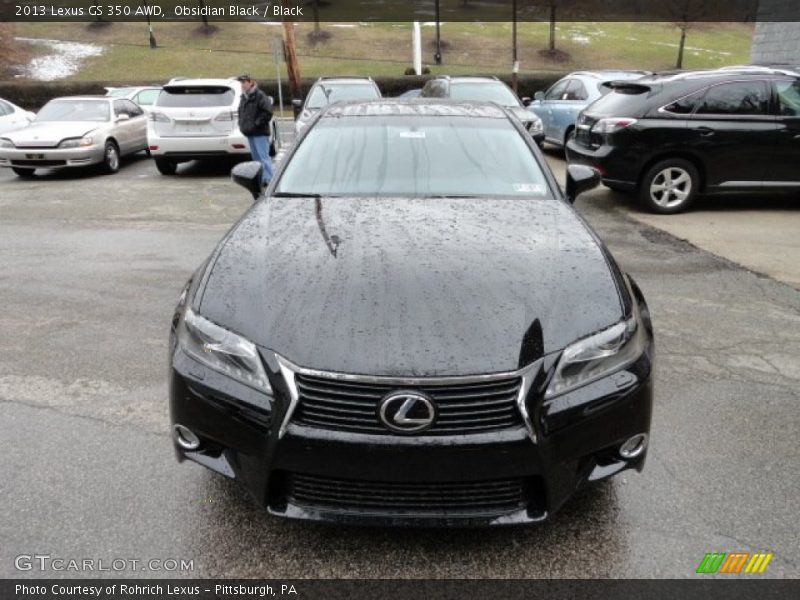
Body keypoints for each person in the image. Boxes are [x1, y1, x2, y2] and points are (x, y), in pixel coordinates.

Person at [236, 73, 274, 187]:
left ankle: (270, 180)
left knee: (263, 157)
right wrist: (242, 124)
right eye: (241, 83)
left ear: (251, 82)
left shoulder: (260, 95)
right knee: (256, 159)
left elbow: (268, 112)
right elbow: (241, 112)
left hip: (260, 133)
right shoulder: (244, 97)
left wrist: (257, 124)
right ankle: (261, 179)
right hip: (250, 133)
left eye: (244, 82)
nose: (242, 85)